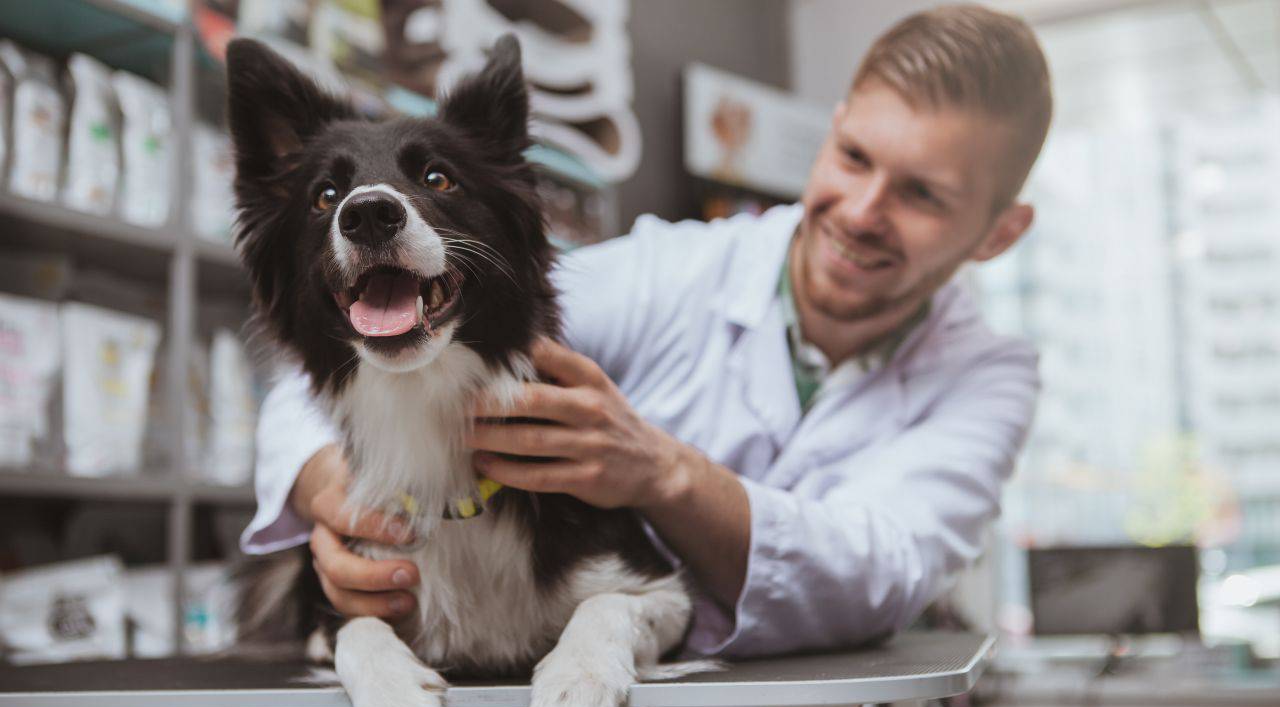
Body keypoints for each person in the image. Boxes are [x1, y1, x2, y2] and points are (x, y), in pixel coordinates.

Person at [241, 3, 1051, 658]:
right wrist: (332, 493)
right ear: (833, 127)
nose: (864, 211)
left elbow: (879, 572)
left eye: (922, 196)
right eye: (853, 156)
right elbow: (331, 363)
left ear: (998, 235)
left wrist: (661, 472)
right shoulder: (670, 269)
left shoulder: (988, 377)